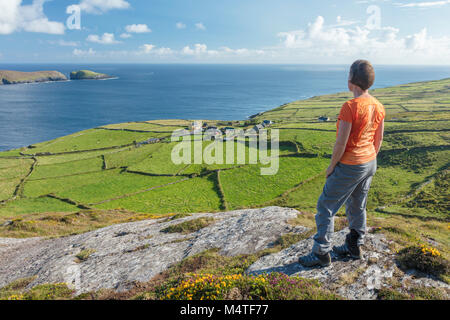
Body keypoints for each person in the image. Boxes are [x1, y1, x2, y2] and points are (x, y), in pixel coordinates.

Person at [298, 60, 385, 267]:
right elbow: (378, 140)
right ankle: (354, 246)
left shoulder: (350, 107)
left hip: (351, 164)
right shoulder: (379, 105)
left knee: (326, 206)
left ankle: (321, 253)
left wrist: (331, 167)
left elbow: (340, 143)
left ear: (351, 80)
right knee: (357, 205)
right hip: (369, 161)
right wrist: (369, 158)